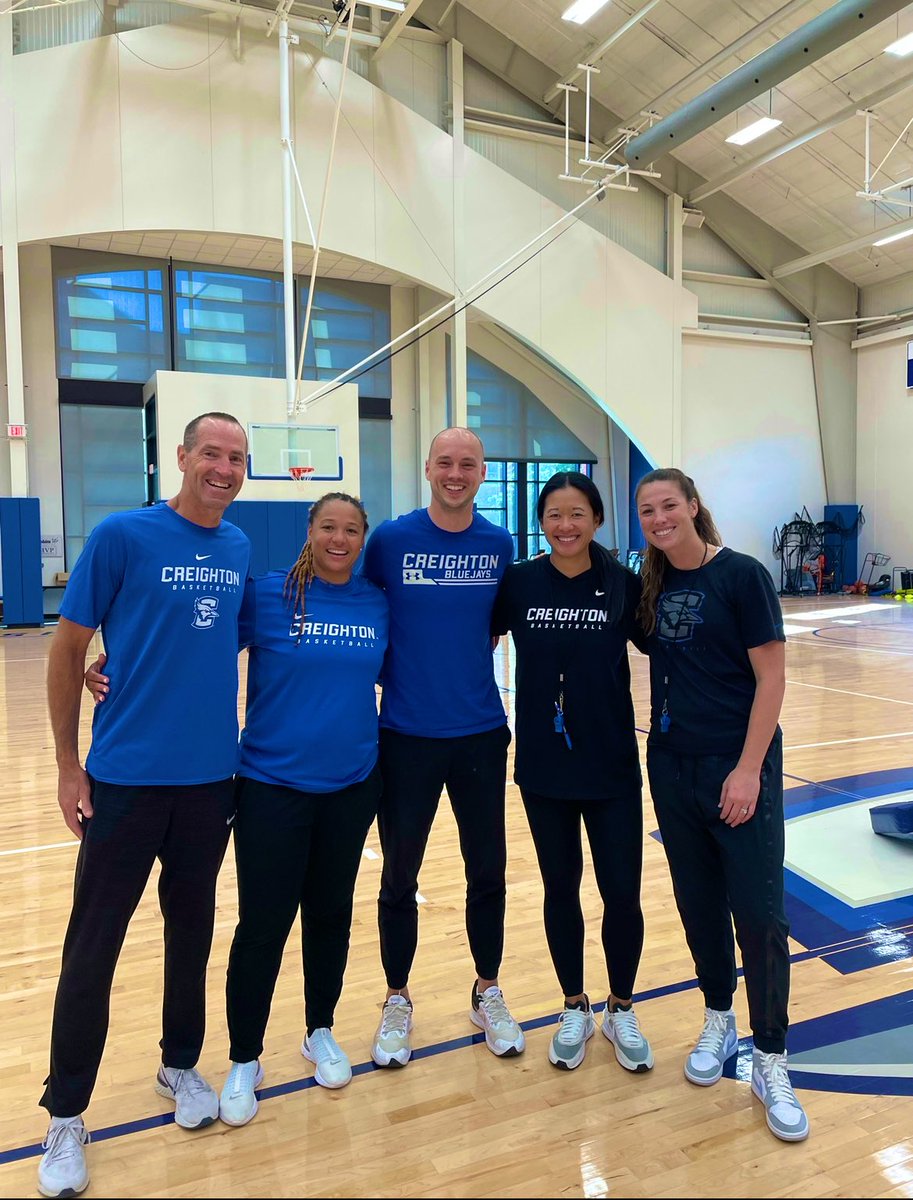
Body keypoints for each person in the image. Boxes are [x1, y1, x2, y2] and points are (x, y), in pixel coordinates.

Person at [38, 413, 251, 1199]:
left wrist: (122, 656)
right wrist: (69, 766)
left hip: (208, 784)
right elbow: (66, 649)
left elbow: (208, 640)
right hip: (123, 780)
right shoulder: (123, 535)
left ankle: (179, 1063)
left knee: (191, 934)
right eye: (212, 453)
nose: (223, 468)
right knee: (92, 947)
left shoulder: (236, 549)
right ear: (182, 457)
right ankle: (65, 1114)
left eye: (236, 458)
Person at [634, 467, 809, 1143]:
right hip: (671, 767)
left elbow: (772, 676)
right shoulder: (651, 583)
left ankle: (770, 1056)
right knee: (697, 904)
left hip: (737, 769)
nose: (657, 518)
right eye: (647, 510)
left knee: (760, 916)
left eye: (667, 505)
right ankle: (717, 1017)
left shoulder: (740, 575)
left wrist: (746, 770)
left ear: (692, 506)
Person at [217, 493, 388, 1124]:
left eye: (350, 530)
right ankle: (244, 1056)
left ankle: (320, 1030)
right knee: (262, 926)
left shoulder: (375, 601)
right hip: (269, 786)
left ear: (362, 538)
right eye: (328, 528)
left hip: (350, 787)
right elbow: (195, 646)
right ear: (309, 531)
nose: (339, 540)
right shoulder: (265, 596)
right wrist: (114, 662)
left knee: (330, 917)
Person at [362, 427, 525, 1067]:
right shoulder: (391, 541)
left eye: (469, 464)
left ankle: (487, 990)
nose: (456, 473)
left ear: (483, 473)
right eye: (446, 463)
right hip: (405, 736)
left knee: (488, 870)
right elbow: (360, 606)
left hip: (481, 732)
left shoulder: (498, 543)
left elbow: (491, 623)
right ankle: (397, 998)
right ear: (428, 468)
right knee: (399, 874)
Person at [492, 472, 653, 1073]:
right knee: (561, 889)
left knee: (621, 895)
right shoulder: (519, 583)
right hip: (542, 767)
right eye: (555, 514)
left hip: (611, 764)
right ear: (542, 521)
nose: (566, 525)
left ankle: (621, 1007)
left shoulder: (623, 584)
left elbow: (667, 650)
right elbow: (470, 641)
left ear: (597, 520)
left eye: (577, 514)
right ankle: (573, 1006)